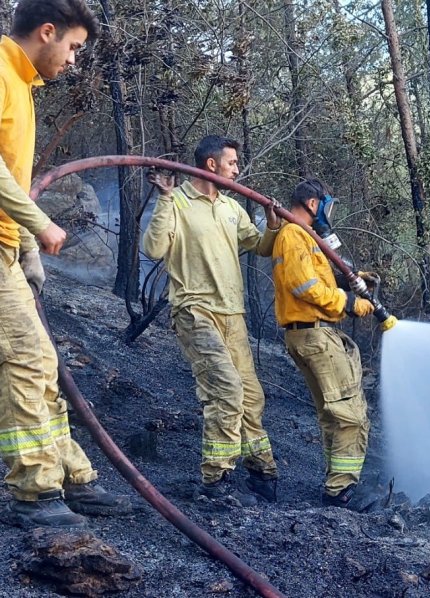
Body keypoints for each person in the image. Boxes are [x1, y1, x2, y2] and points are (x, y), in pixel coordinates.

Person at [0, 0, 131, 529]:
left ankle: (70, 477)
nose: (75, 59)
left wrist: (24, 248)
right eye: (74, 46)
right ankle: (35, 493)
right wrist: (39, 225)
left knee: (42, 363)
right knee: (29, 361)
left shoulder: (21, 86)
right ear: (47, 31)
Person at [143, 135, 280, 505]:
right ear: (211, 165)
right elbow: (153, 248)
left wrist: (272, 224)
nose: (237, 170)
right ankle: (215, 482)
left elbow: (261, 246)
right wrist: (164, 198)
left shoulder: (232, 208)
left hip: (233, 315)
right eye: (232, 163)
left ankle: (260, 471)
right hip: (195, 311)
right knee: (226, 391)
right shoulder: (179, 201)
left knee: (251, 396)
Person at [272, 179, 377, 510]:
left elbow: (315, 277)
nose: (327, 215)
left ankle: (337, 484)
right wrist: (348, 303)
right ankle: (341, 491)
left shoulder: (300, 236)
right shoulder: (293, 234)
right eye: (325, 208)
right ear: (313, 204)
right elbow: (305, 287)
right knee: (350, 415)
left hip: (309, 334)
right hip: (315, 334)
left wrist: (353, 275)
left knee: (333, 415)